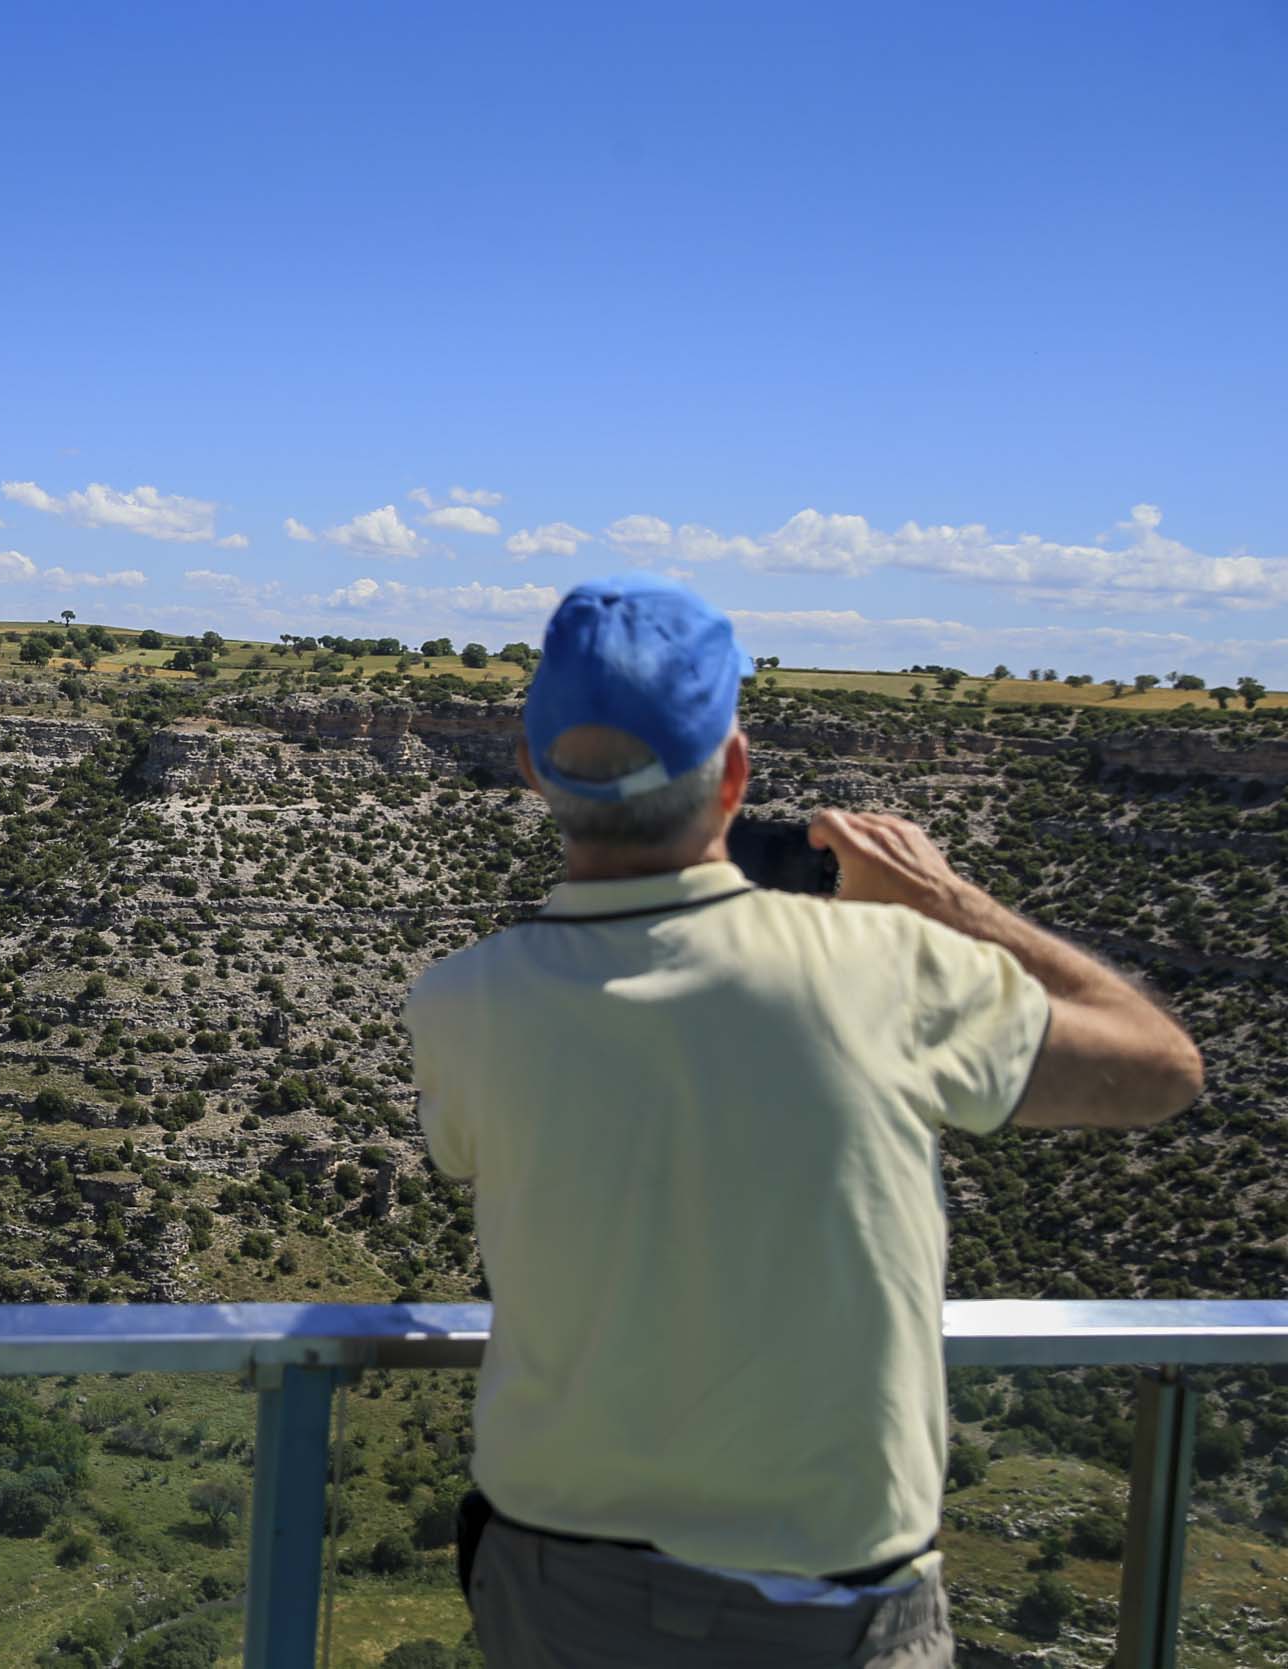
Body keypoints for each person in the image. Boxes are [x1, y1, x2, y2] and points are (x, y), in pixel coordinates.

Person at [402, 576, 1202, 1668]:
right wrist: (945, 902)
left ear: (533, 768)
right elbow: (1160, 1069)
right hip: (837, 1608)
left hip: (559, 1591)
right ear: (733, 771)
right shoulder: (889, 967)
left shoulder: (455, 1002)